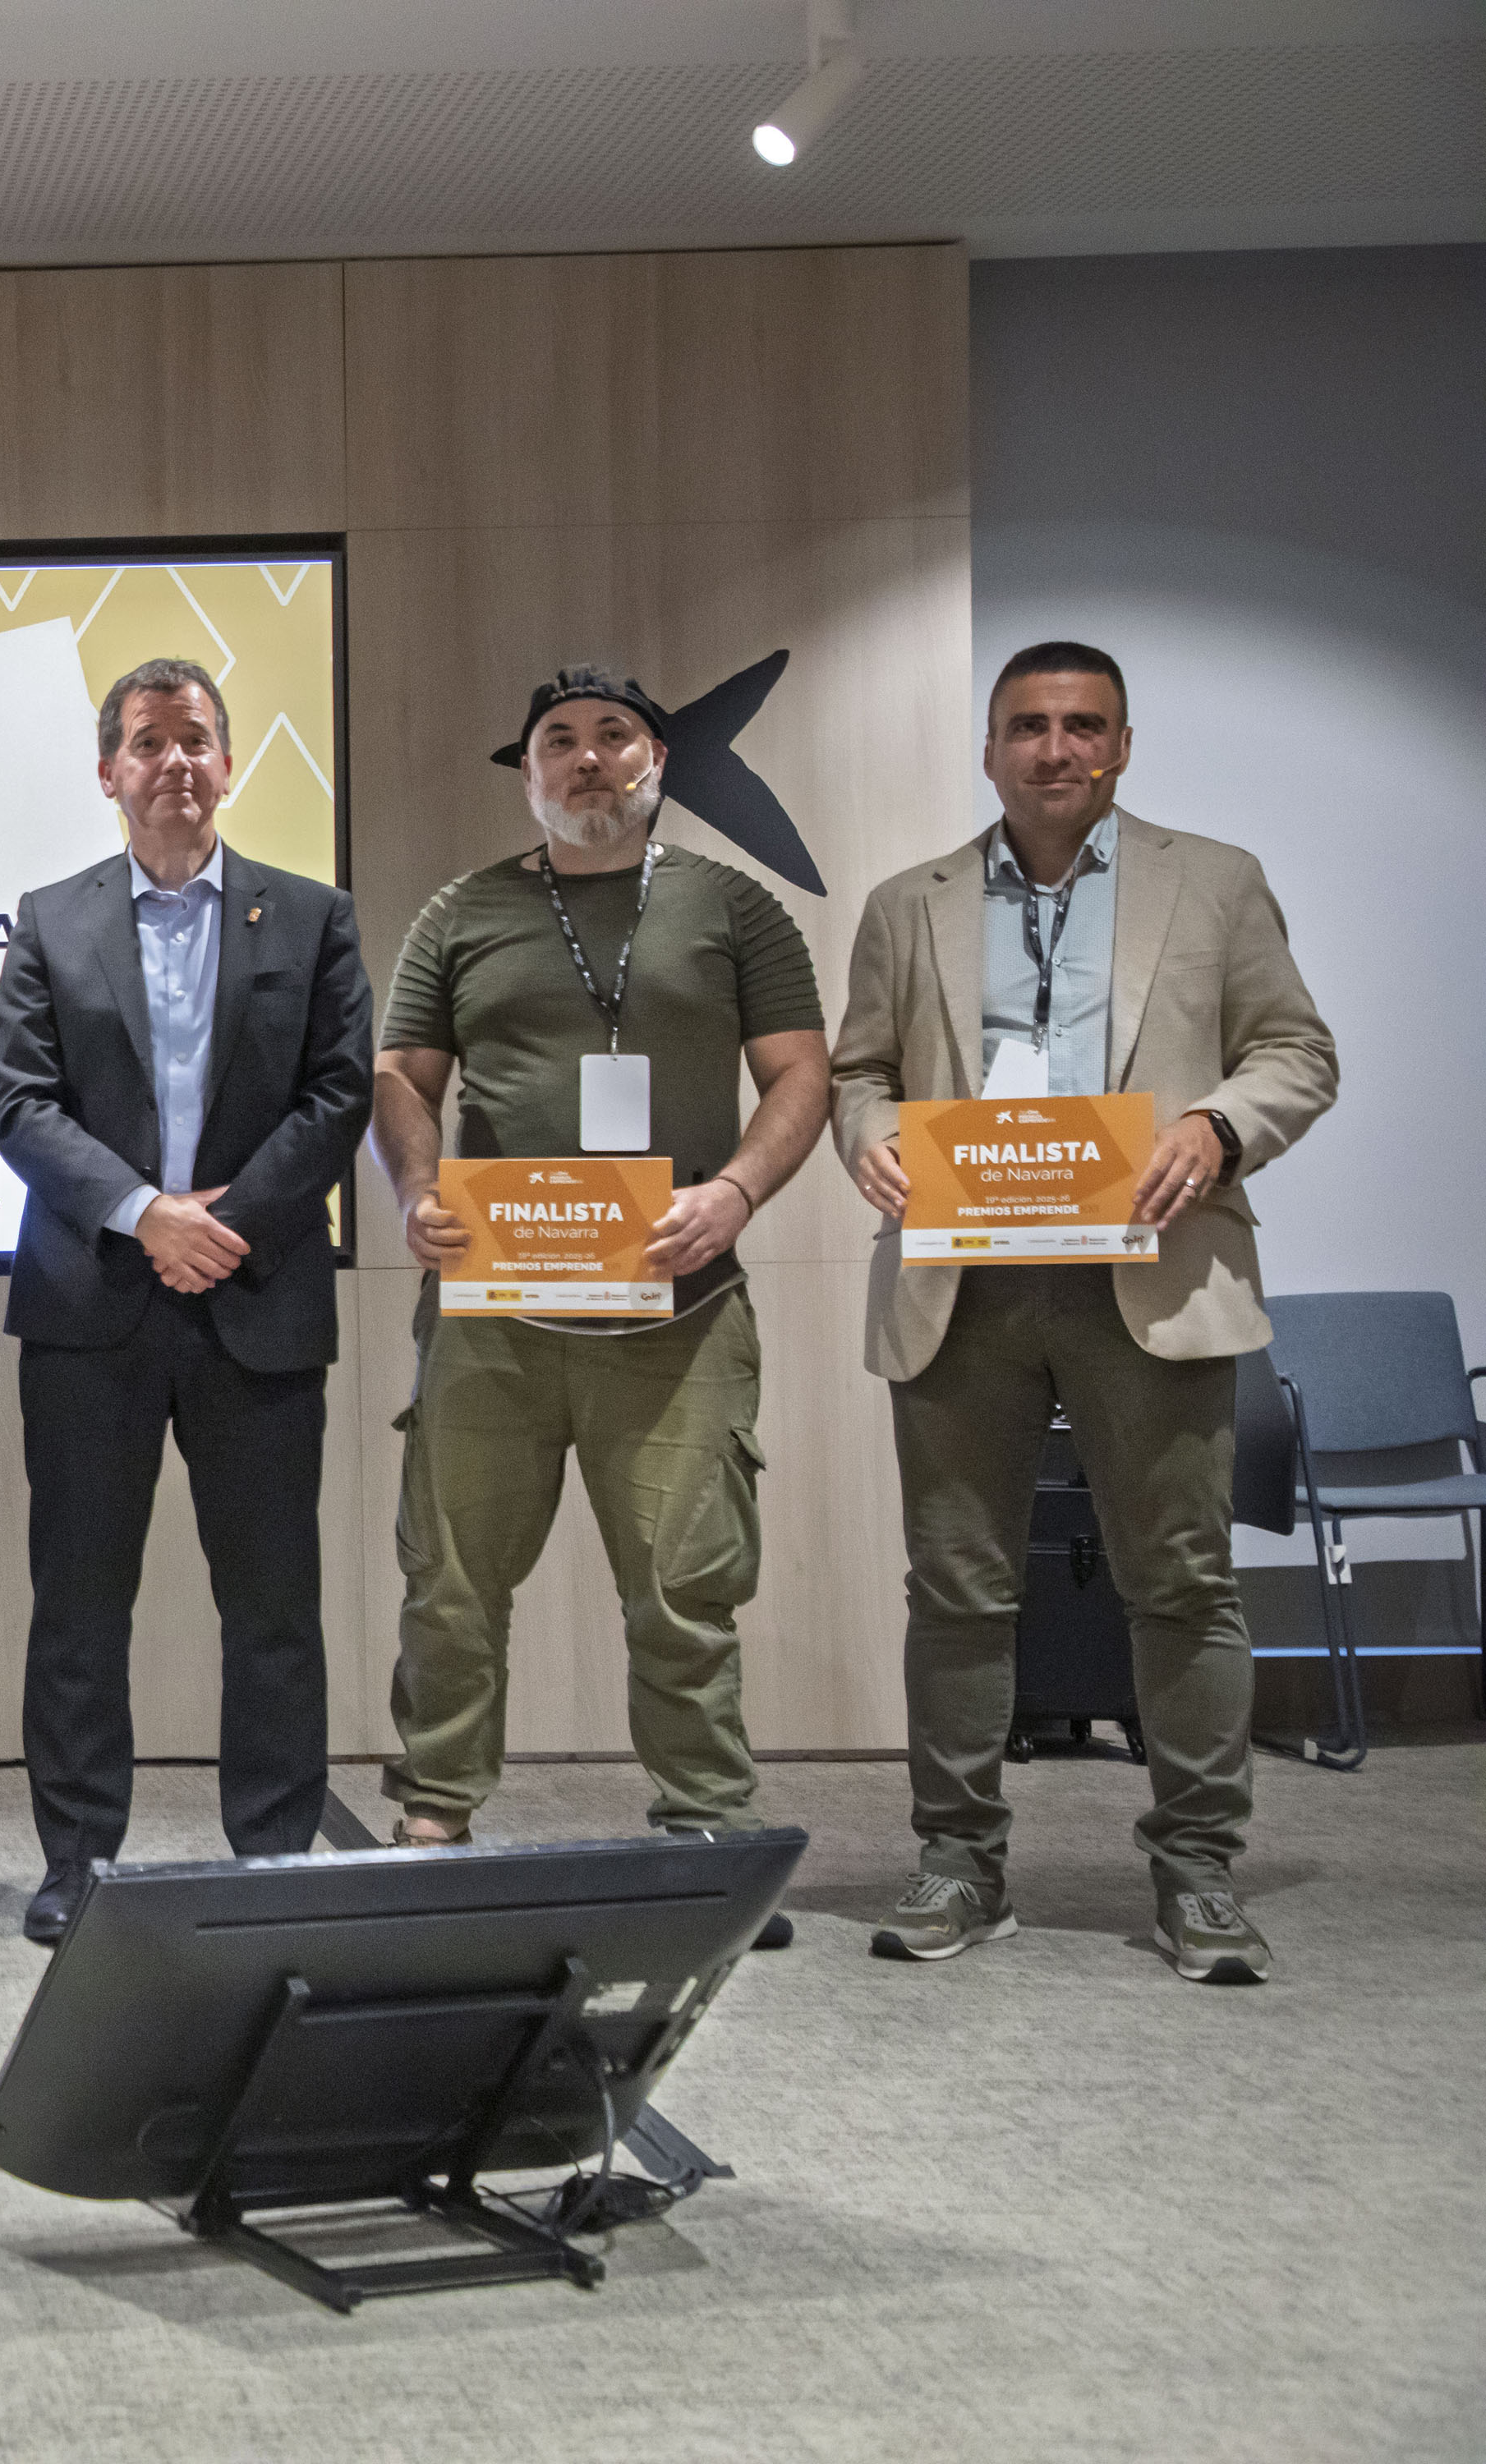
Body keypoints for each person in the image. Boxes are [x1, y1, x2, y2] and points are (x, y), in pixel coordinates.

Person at [833, 641, 1335, 1984]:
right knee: (956, 1588)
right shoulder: (906, 902)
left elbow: (1297, 1053)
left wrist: (1220, 1130)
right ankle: (957, 1863)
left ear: (1122, 744)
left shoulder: (1215, 884)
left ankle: (1199, 1874)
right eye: (1029, 726)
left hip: (1153, 1279)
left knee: (1181, 1583)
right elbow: (860, 1071)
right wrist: (868, 1137)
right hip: (965, 1285)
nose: (1056, 748)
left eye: (1084, 726)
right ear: (989, 748)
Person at [370, 665, 830, 1887]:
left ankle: (706, 1829)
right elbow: (403, 1079)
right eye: (559, 742)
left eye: (614, 738)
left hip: (681, 1309)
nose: (587, 759)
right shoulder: (459, 912)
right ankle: (434, 1820)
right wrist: (416, 1192)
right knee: (453, 1587)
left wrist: (732, 1193)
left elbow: (801, 1075)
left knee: (685, 1589)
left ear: (657, 762)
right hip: (492, 1314)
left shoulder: (739, 910)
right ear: (528, 775)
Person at [0, 656, 373, 1946]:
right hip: (92, 1305)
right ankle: (78, 1863)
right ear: (109, 773)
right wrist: (144, 1214)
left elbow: (339, 1095)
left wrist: (221, 1226)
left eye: (196, 739)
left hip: (257, 1298)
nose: (175, 764)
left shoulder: (312, 915)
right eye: (147, 743)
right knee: (81, 1605)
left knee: (269, 1607)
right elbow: (20, 1104)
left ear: (230, 761)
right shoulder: (48, 919)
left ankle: (272, 1854)